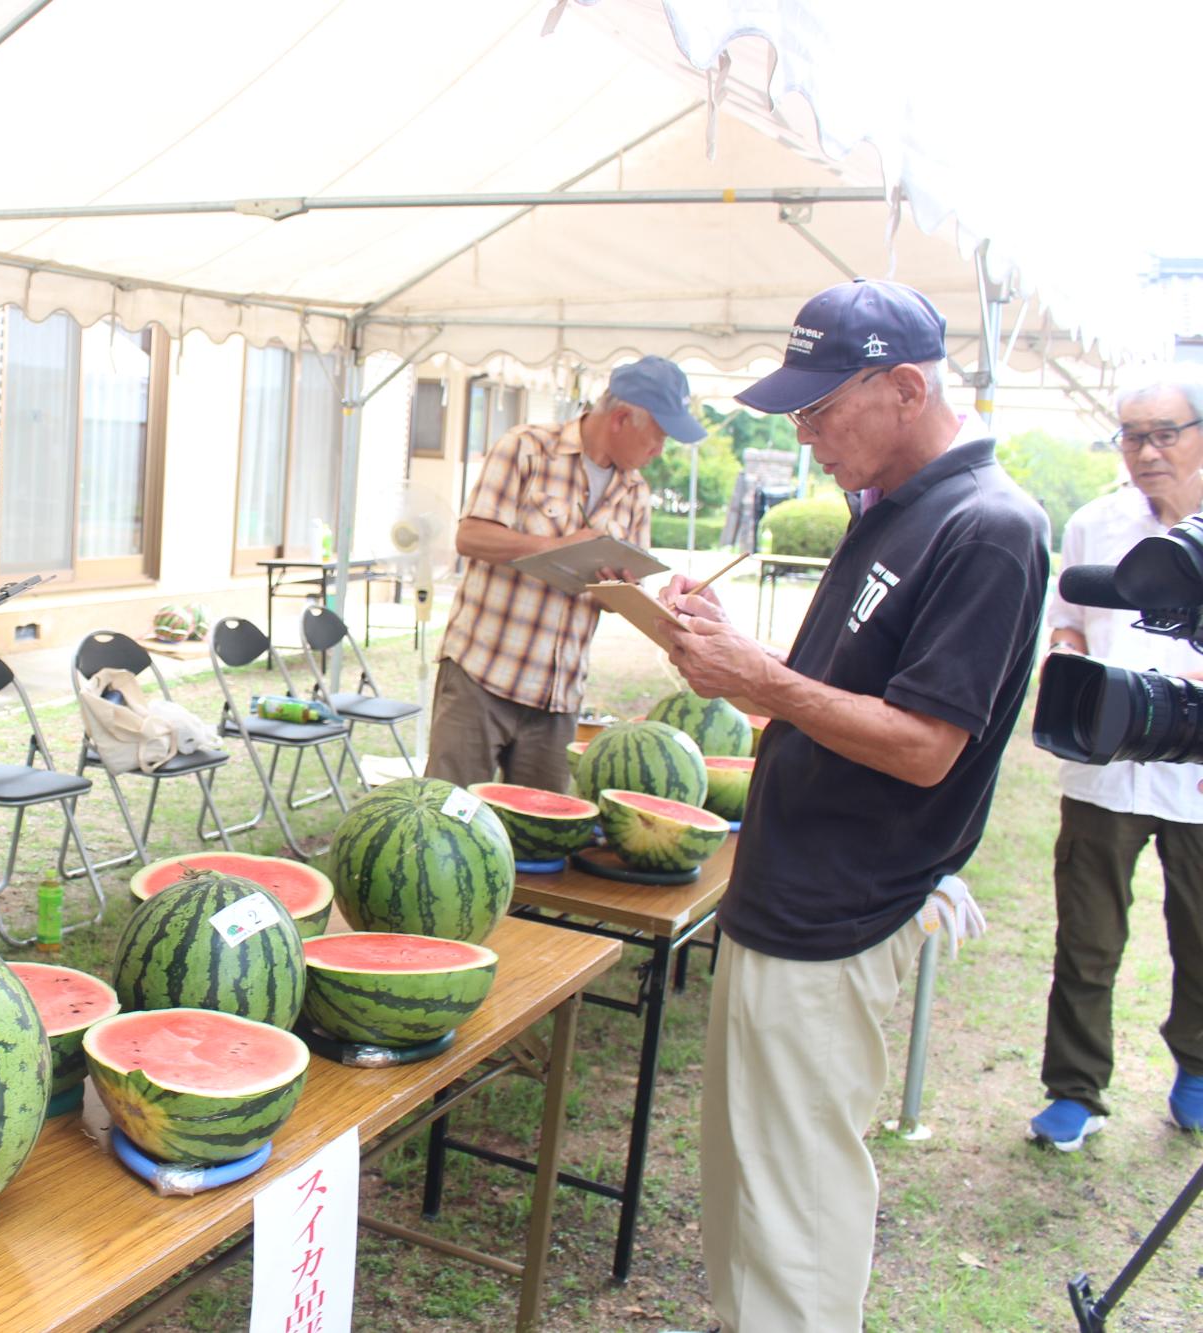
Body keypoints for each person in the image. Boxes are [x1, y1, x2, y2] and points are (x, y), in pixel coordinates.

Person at [657, 278, 1049, 1331]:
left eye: (822, 408)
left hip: (842, 908)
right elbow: (844, 690)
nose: (807, 432)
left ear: (906, 386)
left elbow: (924, 747)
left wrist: (755, 679)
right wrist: (733, 656)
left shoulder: (986, 527)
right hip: (785, 891)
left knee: (797, 1204)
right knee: (747, 1183)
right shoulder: (892, 510)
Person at [1030, 375, 1203, 1151]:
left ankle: (1197, 1069)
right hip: (1102, 769)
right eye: (1131, 435)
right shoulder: (1096, 525)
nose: (1147, 450)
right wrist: (1067, 661)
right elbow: (1068, 619)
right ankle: (1074, 1088)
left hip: (1196, 778)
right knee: (1087, 935)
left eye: (1165, 432)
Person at [425, 356, 705, 790]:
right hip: (481, 675)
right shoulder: (525, 447)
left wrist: (631, 593)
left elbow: (617, 599)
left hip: (559, 694)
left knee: (543, 839)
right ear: (621, 419)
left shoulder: (635, 493)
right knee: (449, 819)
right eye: (660, 436)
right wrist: (555, 548)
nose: (660, 451)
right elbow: (471, 538)